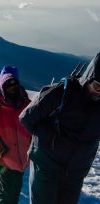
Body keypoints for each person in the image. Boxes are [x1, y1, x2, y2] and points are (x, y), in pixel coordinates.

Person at [19, 52, 100, 204]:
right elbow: (27, 118)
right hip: (47, 167)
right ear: (89, 78)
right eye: (97, 86)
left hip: (75, 172)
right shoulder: (62, 92)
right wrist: (47, 142)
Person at [0, 72, 31, 204]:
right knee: (6, 192)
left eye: (14, 84)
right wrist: (0, 149)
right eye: (8, 86)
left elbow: (35, 128)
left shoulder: (28, 105)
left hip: (23, 159)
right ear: (2, 88)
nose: (12, 88)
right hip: (5, 159)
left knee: (14, 190)